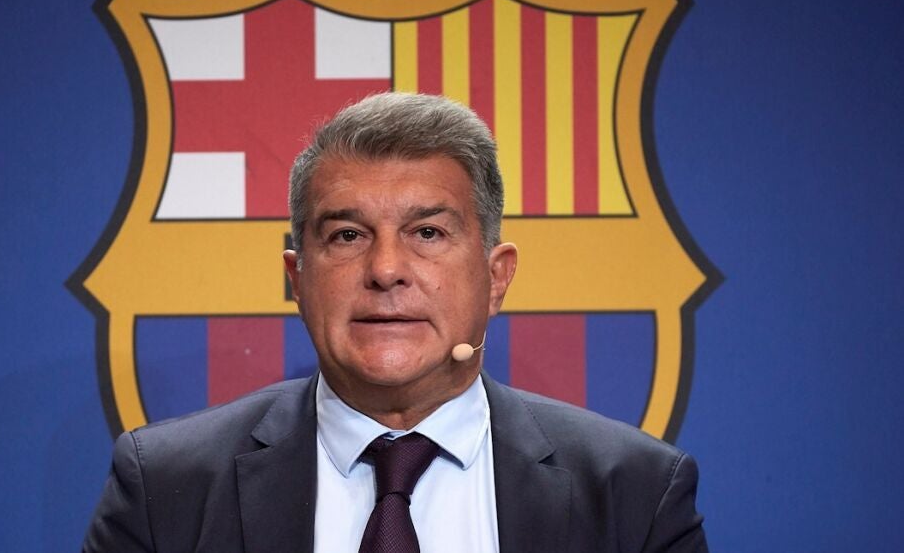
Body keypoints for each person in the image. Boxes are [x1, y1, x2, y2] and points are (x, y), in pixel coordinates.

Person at [83, 92, 708, 552]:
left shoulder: (635, 492)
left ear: (496, 277)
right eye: (347, 235)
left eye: (428, 233)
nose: (385, 269)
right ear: (297, 278)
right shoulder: (166, 487)